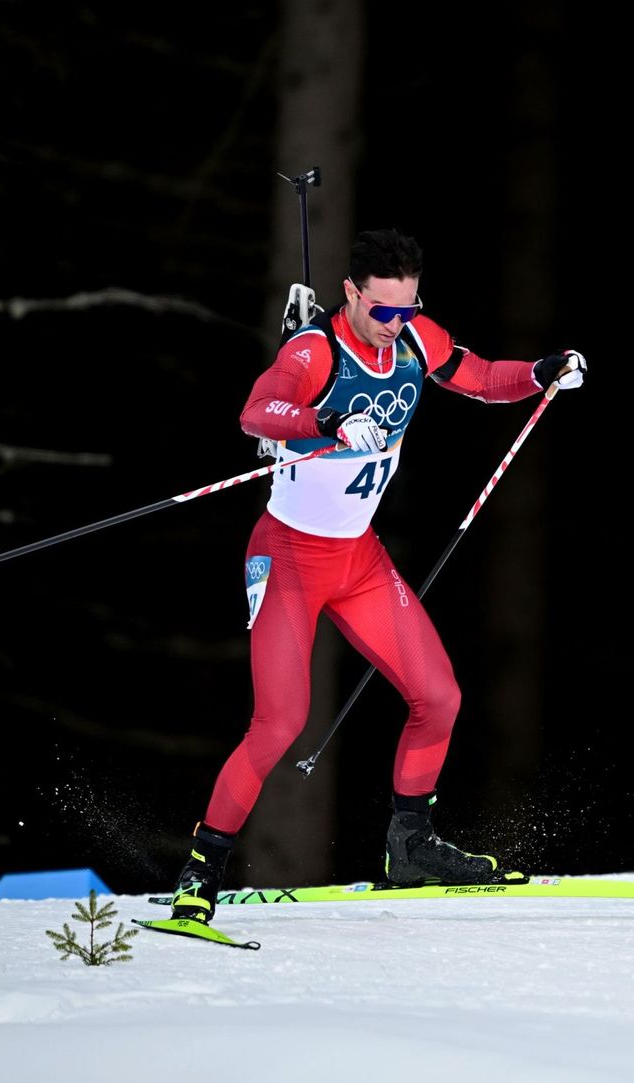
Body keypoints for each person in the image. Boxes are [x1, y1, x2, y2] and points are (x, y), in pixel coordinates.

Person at [167, 228, 586, 924]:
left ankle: (411, 845)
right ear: (351, 294)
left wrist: (540, 372)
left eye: (408, 307)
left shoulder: (416, 337)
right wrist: (326, 418)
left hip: (358, 559)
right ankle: (202, 867)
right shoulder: (315, 351)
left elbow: (481, 377)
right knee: (279, 722)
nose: (397, 324)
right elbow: (257, 411)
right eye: (383, 310)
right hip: (291, 558)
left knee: (439, 696)